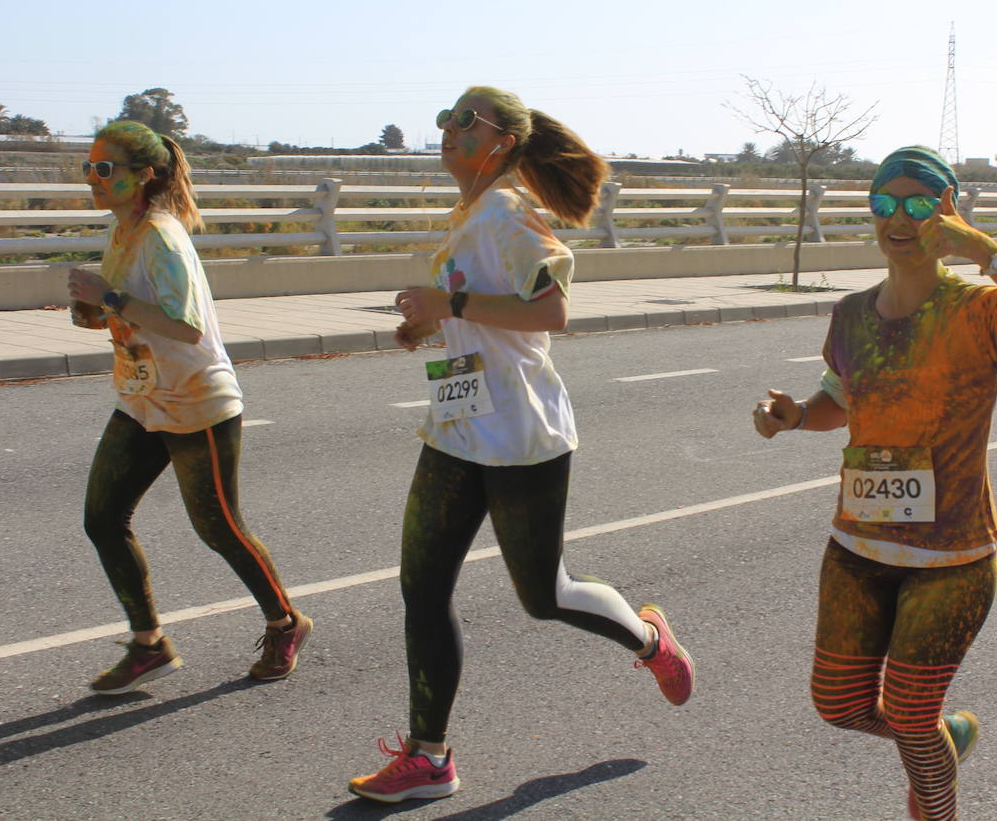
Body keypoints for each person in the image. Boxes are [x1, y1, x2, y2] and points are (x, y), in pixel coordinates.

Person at [348, 87, 694, 803]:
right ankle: (429, 757)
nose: (447, 130)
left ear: (502, 140)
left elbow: (551, 310)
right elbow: (483, 316)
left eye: (464, 122)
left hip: (522, 435)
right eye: (444, 118)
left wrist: (452, 305)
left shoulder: (508, 209)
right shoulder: (472, 213)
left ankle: (650, 639)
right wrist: (433, 325)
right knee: (422, 587)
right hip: (457, 426)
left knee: (544, 595)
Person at [751, 146, 997, 821]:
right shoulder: (849, 315)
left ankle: (933, 785)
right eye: (884, 204)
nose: (898, 219)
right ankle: (943, 738)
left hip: (951, 558)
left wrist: (981, 248)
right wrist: (793, 419)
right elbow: (840, 399)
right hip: (856, 548)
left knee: (907, 710)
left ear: (947, 210)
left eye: (918, 204)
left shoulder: (980, 309)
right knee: (838, 705)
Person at [67, 120, 311, 695]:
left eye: (106, 170)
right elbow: (135, 311)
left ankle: (286, 622)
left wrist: (109, 297)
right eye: (89, 168)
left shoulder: (160, 235)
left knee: (219, 528)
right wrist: (100, 311)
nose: (94, 179)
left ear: (143, 177)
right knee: (103, 519)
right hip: (142, 398)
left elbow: (185, 324)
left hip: (196, 402)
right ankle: (149, 644)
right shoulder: (123, 230)